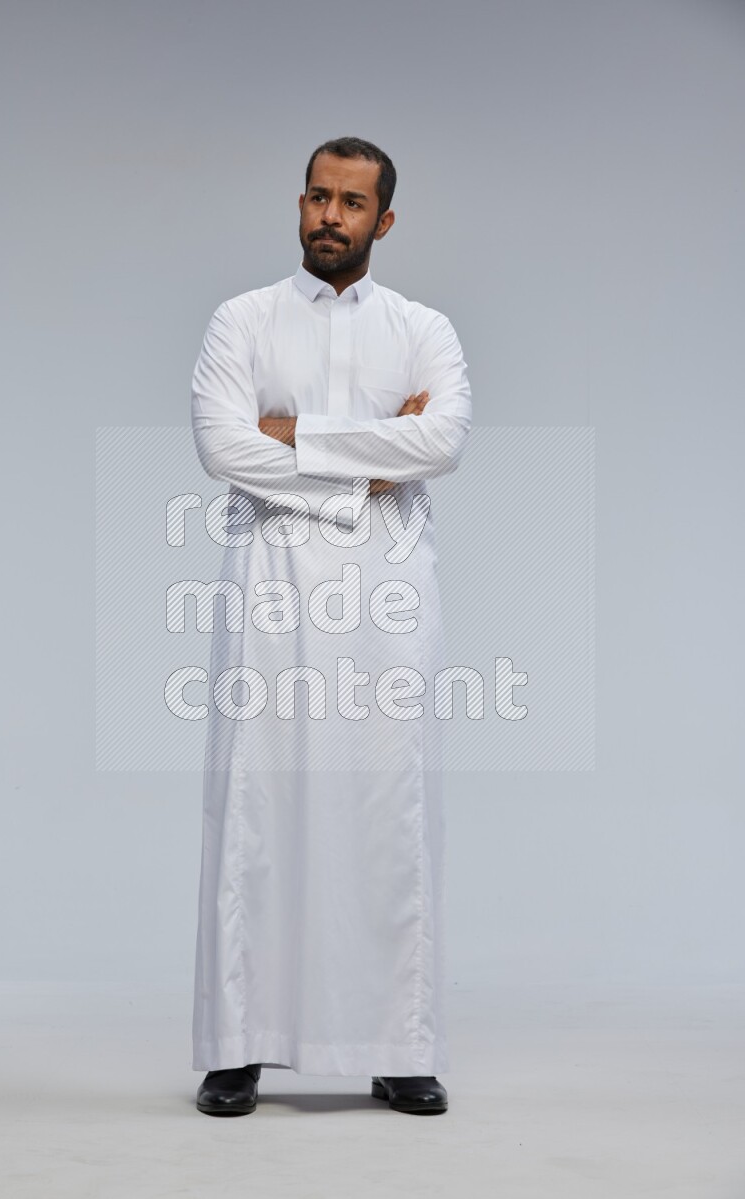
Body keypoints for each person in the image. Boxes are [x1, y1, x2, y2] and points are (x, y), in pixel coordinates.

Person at [190, 136, 472, 1116]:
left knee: (389, 808)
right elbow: (222, 446)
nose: (329, 216)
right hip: (270, 590)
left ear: (382, 220)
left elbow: (442, 438)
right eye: (317, 196)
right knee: (257, 808)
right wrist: (367, 468)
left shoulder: (422, 329)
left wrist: (294, 433)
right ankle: (237, 1047)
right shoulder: (243, 319)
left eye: (351, 203)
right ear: (299, 202)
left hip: (388, 597)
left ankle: (399, 1047)